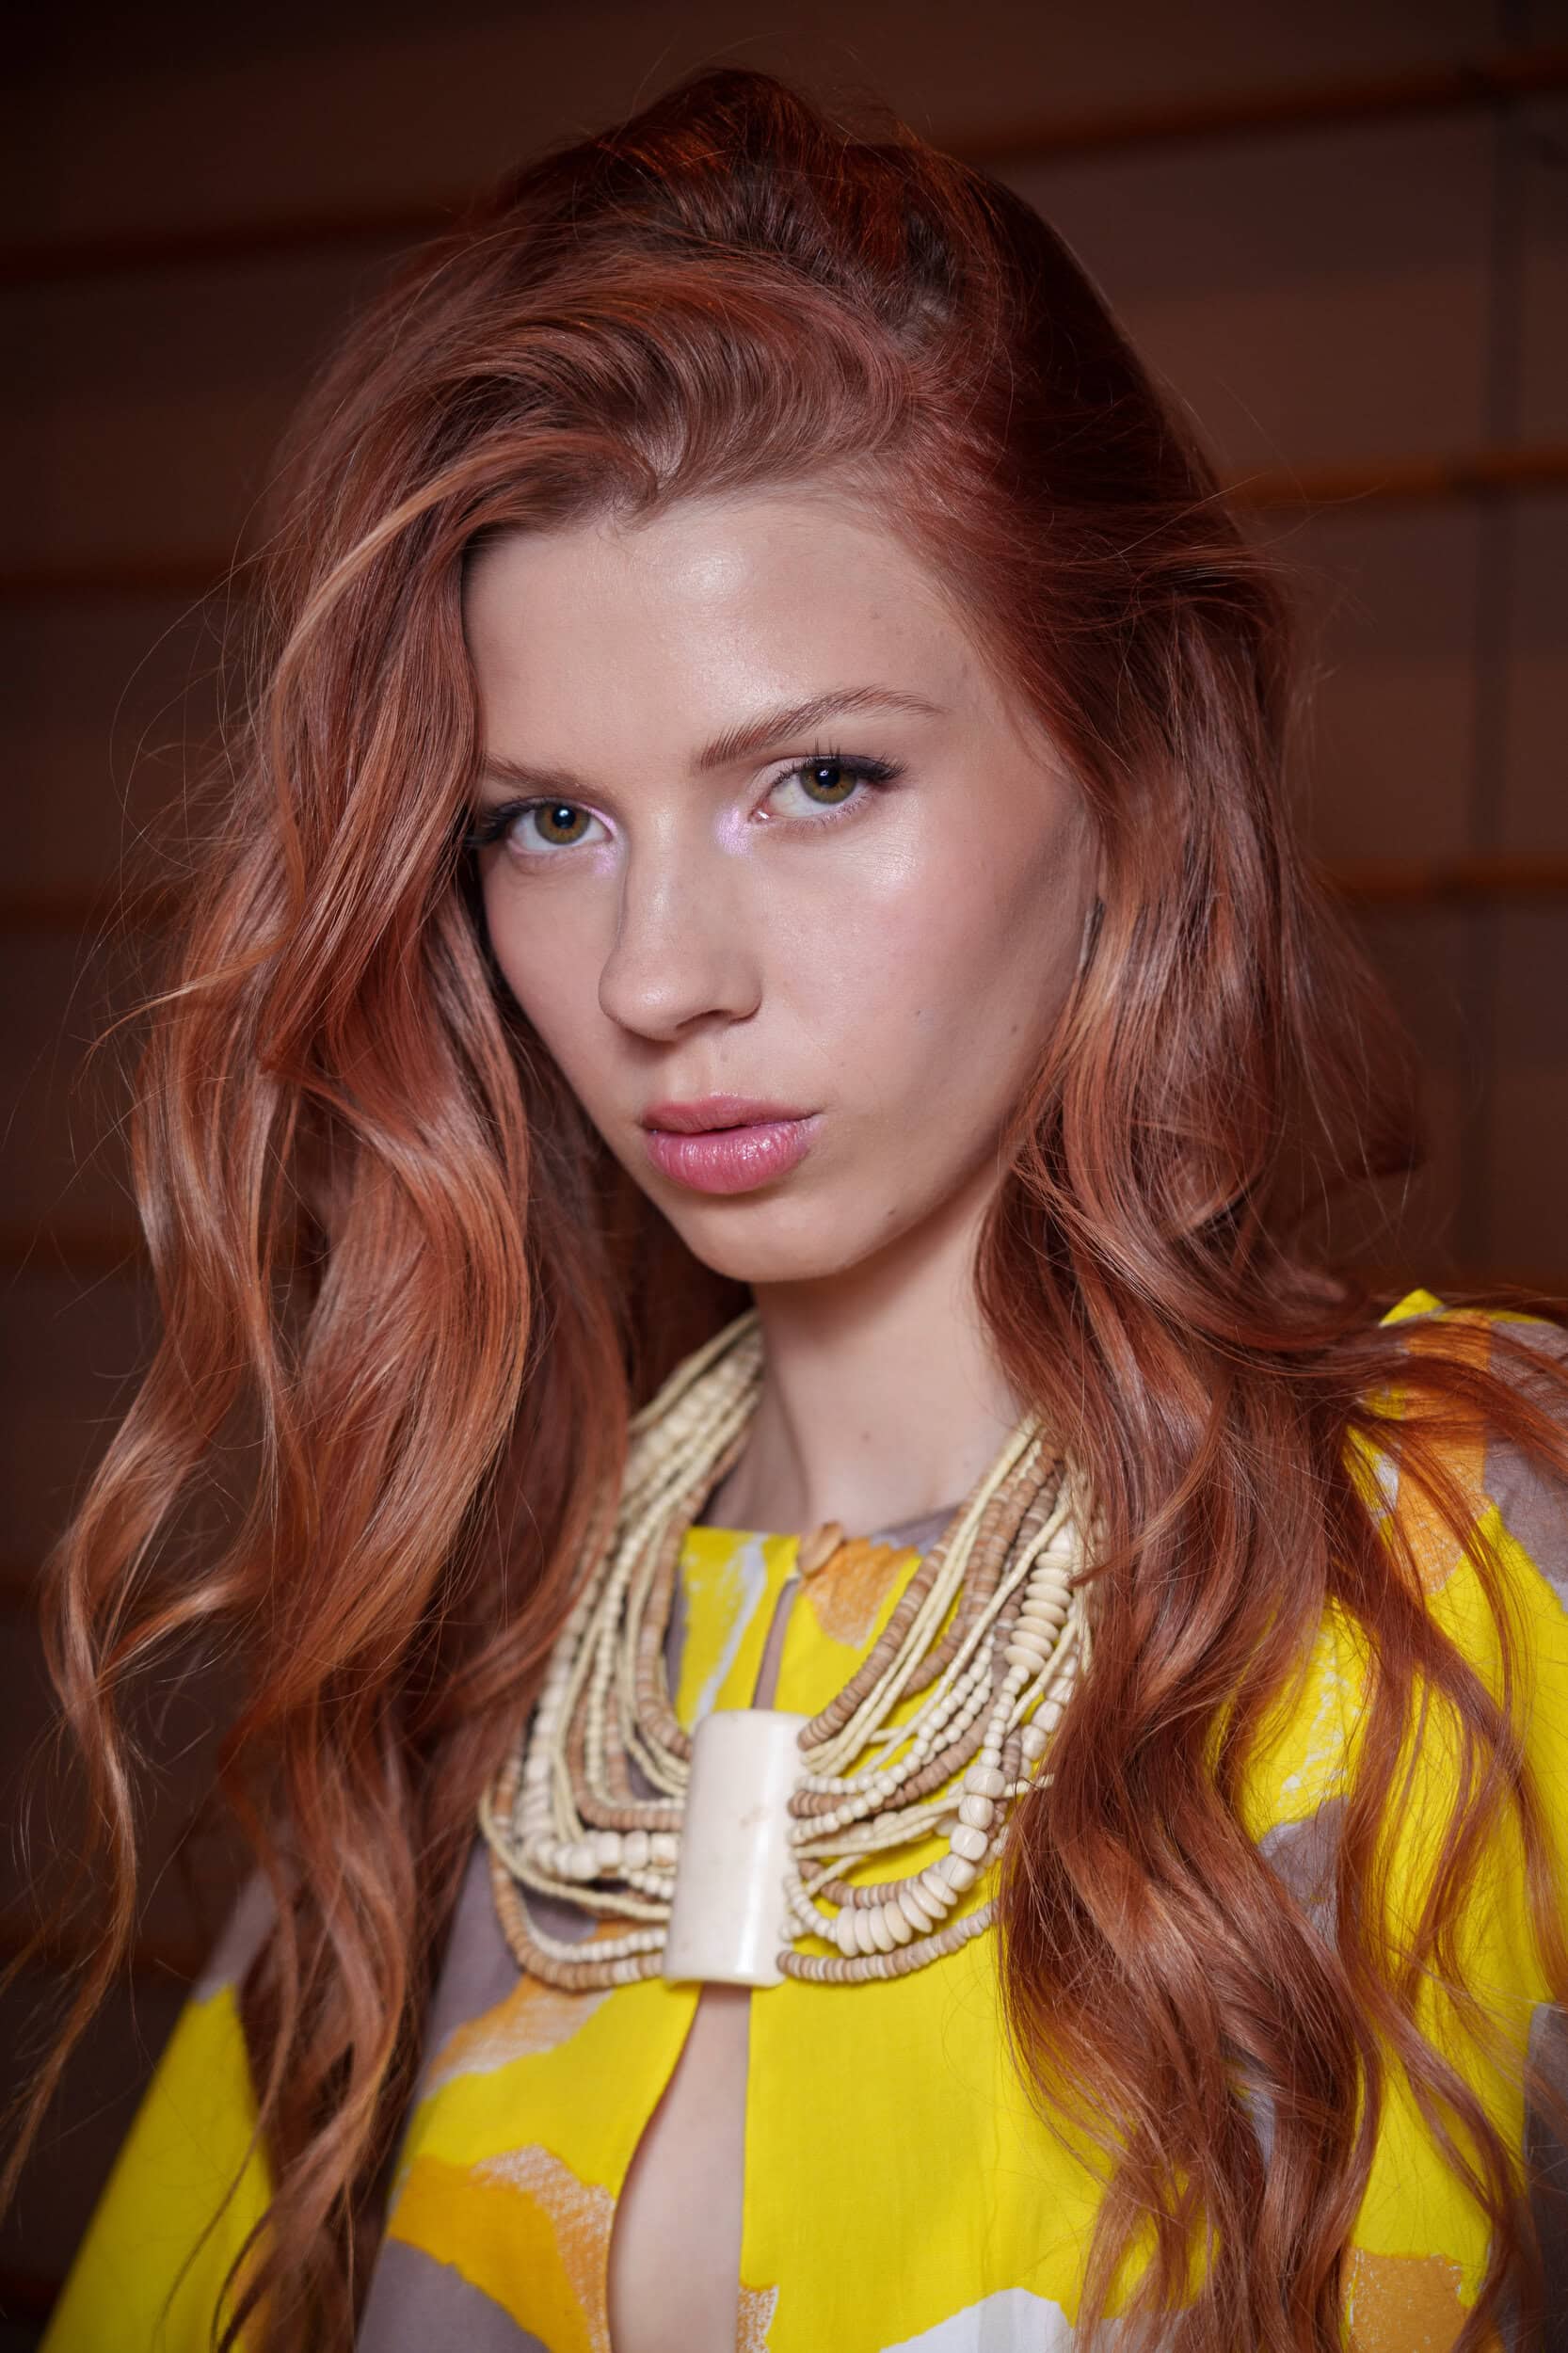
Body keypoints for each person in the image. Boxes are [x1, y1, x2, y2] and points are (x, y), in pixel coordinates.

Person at [11, 61, 1568, 2353]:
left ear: (1129, 767)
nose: (656, 975)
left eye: (816, 777)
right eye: (544, 821)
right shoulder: (476, 1695)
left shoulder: (1476, 1562)